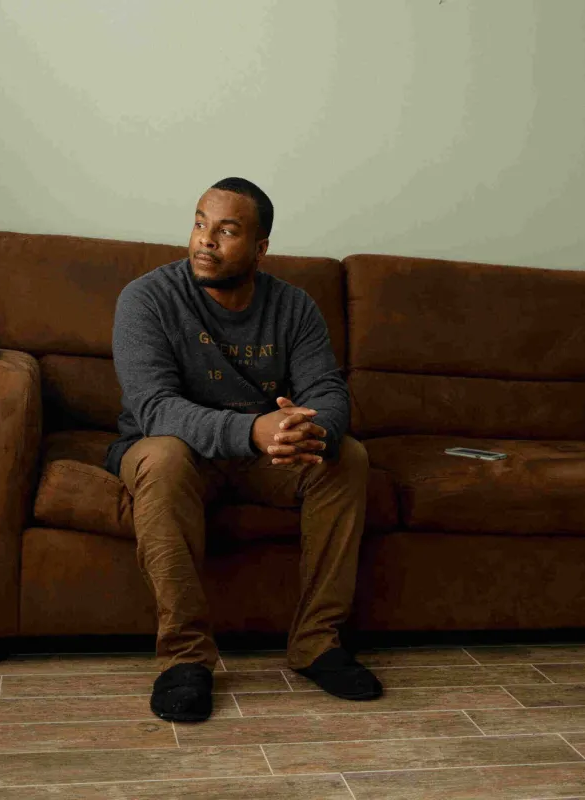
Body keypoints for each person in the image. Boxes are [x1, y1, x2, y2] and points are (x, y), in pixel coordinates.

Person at [104, 177, 382, 722]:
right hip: (171, 451)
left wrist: (307, 429)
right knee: (162, 457)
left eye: (226, 231)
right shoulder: (147, 298)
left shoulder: (294, 307)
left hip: (263, 459)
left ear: (259, 249)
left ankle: (317, 643)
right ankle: (185, 660)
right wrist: (253, 430)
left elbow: (326, 390)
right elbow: (154, 407)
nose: (205, 240)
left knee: (345, 456)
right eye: (200, 223)